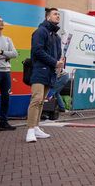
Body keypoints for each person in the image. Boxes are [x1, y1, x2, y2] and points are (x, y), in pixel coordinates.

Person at [25, 8, 63, 143]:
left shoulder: (57, 37)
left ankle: (36, 127)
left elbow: (58, 55)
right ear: (48, 17)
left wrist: (59, 65)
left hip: (50, 72)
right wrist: (55, 62)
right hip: (39, 70)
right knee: (36, 99)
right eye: (55, 14)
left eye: (58, 14)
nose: (57, 16)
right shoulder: (40, 31)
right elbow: (37, 51)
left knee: (42, 101)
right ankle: (30, 129)